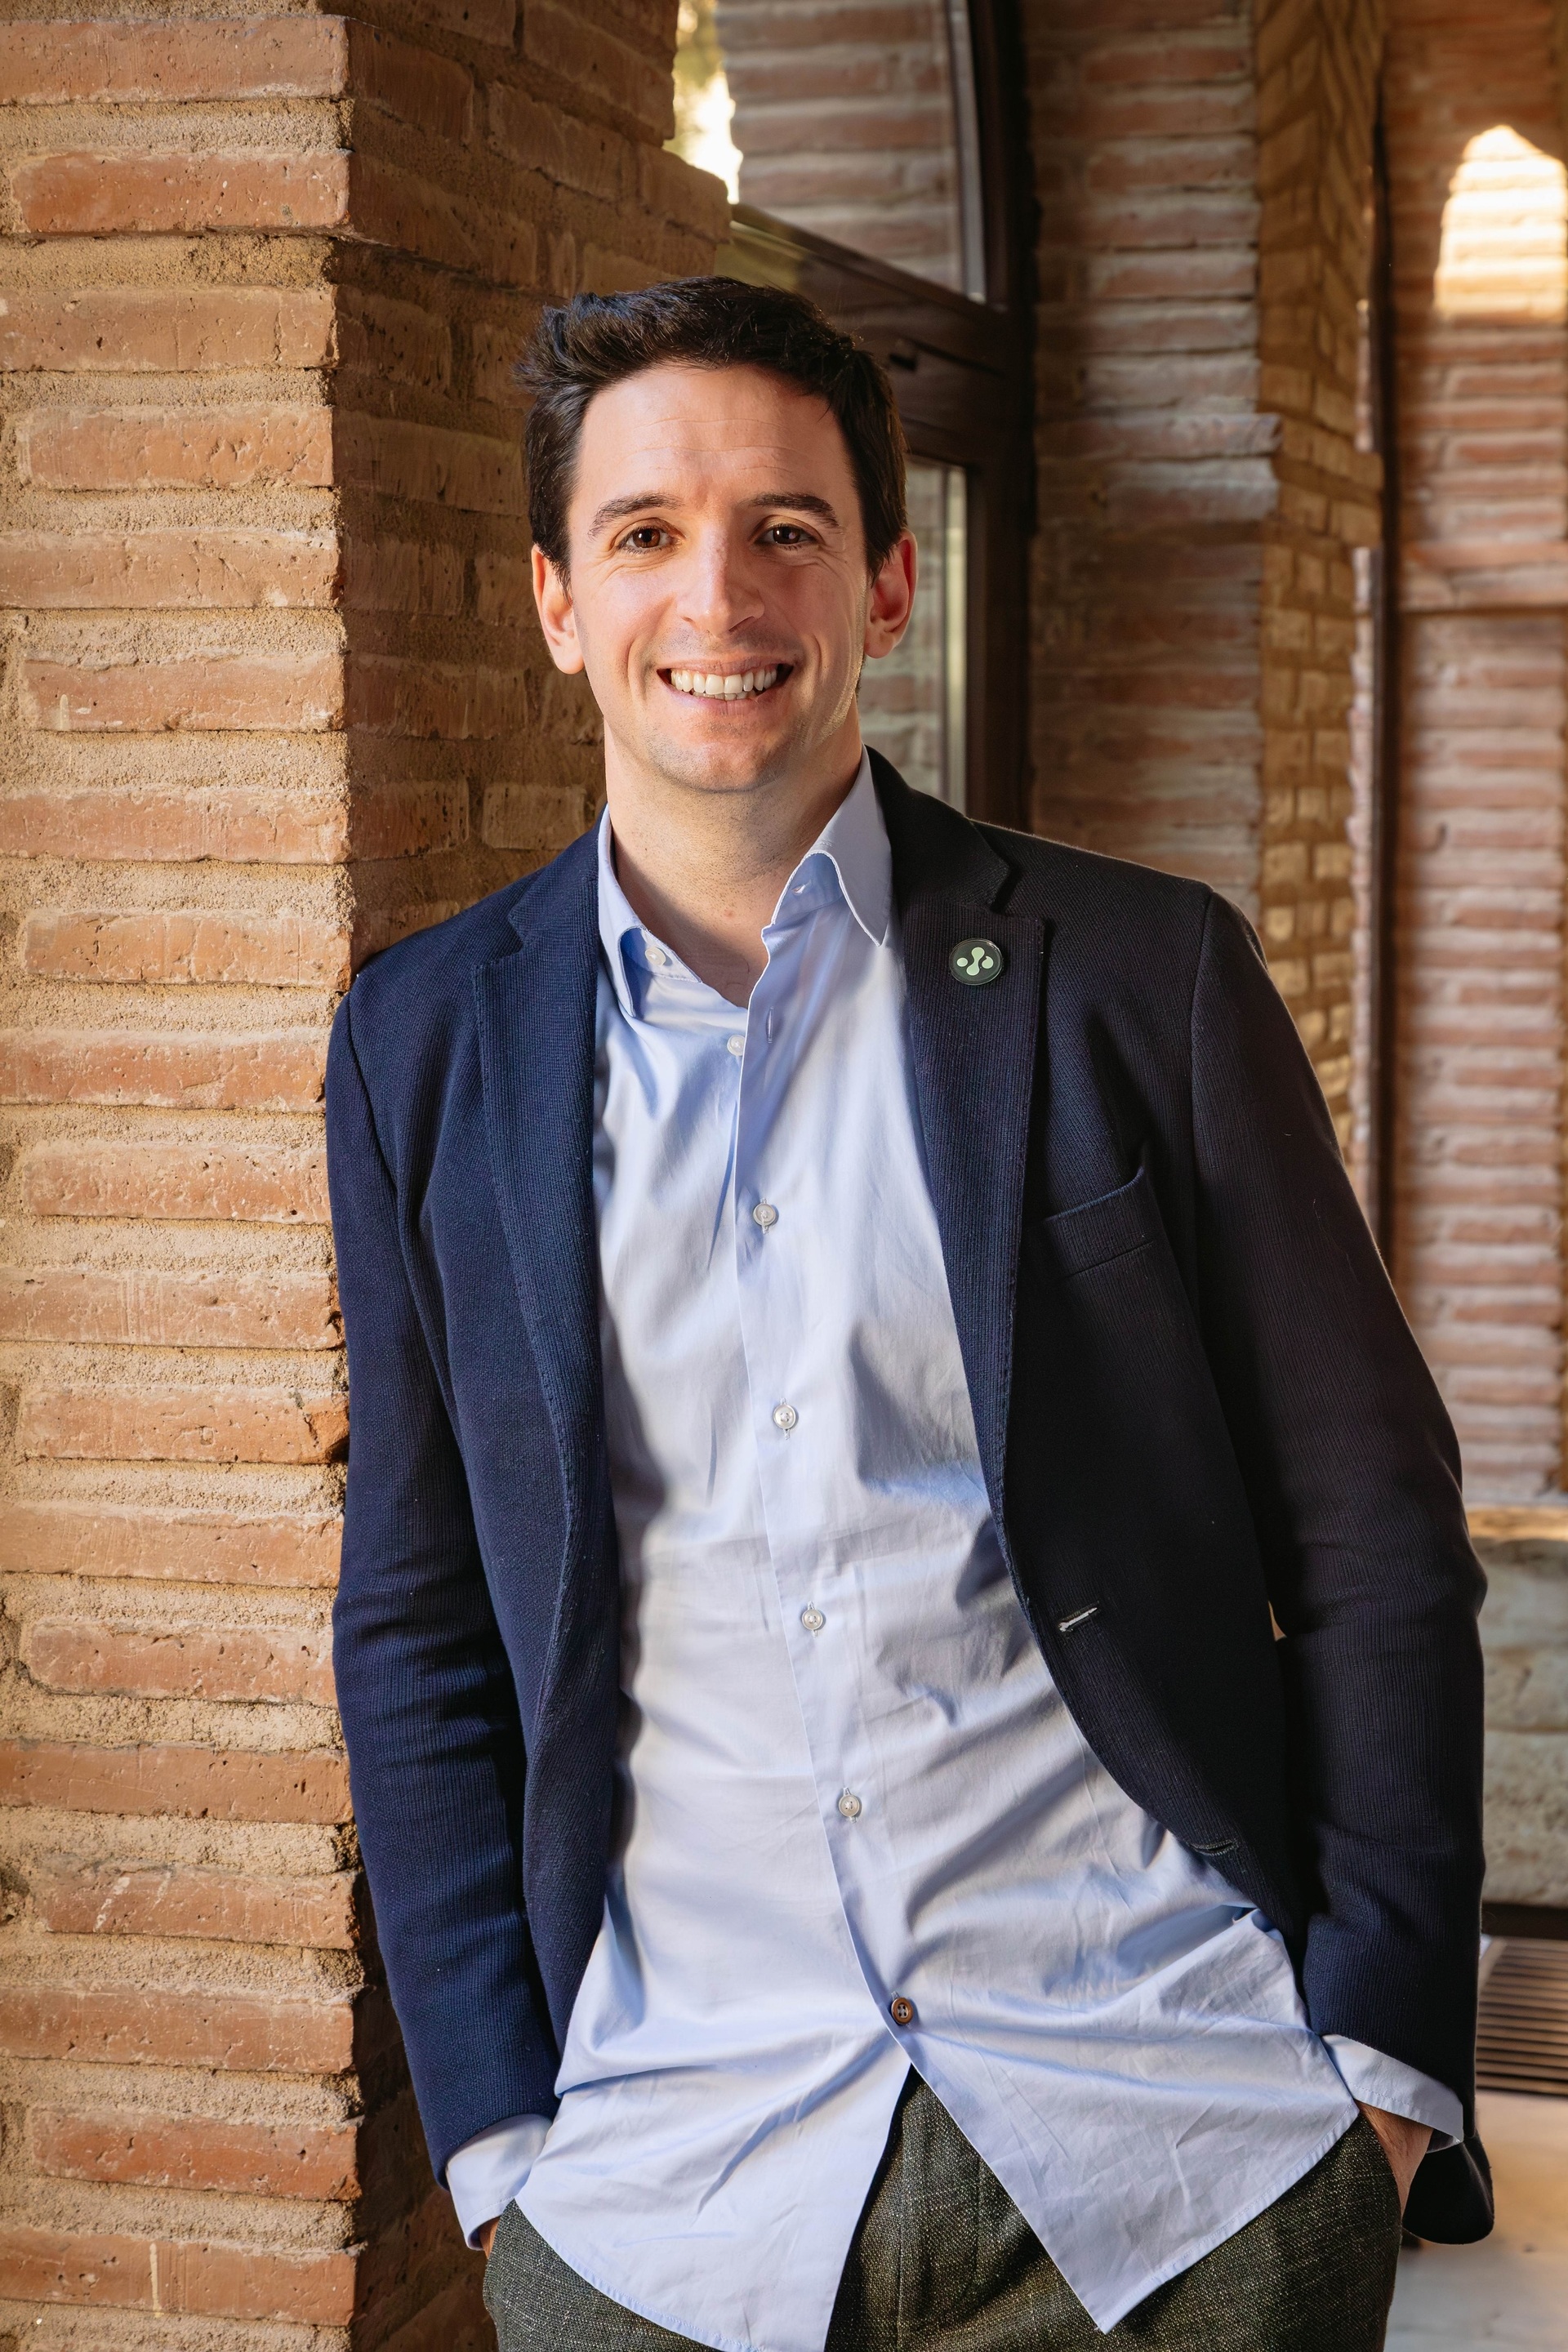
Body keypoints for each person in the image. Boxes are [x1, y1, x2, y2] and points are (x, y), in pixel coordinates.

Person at [325, 278, 1491, 2352]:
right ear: (553, 603)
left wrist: (1381, 2075)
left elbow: (1376, 1528)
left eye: (786, 528)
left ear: (888, 580)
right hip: (666, 2190)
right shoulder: (422, 1047)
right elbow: (417, 1620)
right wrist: (498, 2144)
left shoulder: (1143, 981)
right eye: (645, 533)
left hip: (1176, 2152)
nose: (721, 592)